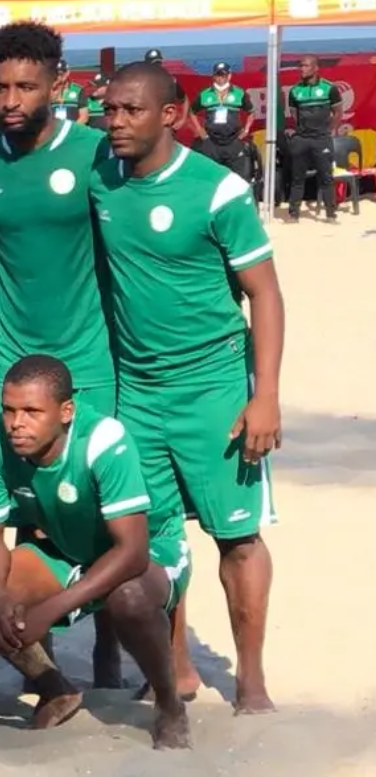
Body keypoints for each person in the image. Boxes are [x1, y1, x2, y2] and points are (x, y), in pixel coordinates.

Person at [92, 61, 286, 714]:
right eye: (108, 109)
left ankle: (251, 681)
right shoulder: (101, 178)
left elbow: (264, 294)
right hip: (136, 393)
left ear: (169, 115)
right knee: (153, 542)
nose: (113, 121)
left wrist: (264, 396)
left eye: (128, 110)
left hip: (214, 389)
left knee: (236, 537)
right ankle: (174, 669)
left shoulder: (217, 191)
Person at [0, 20, 122, 686]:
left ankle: (113, 648)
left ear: (57, 84)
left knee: (105, 511)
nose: (9, 100)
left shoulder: (92, 152)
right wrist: (3, 280)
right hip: (13, 365)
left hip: (88, 363)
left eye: (25, 86)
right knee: (27, 509)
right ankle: (45, 658)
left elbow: (128, 236)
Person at [0, 355, 191, 749]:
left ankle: (170, 705)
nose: (16, 423)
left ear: (66, 411)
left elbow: (133, 551)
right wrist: (0, 597)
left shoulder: (103, 439)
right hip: (66, 547)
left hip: (150, 547)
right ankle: (55, 688)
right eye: (9, 410)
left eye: (32, 412)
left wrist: (51, 609)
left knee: (130, 598)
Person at [286, 54, 343, 223]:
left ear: (315, 68)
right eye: (300, 66)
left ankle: (331, 214)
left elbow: (338, 113)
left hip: (322, 139)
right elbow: (294, 114)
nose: (301, 69)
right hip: (302, 139)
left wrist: (327, 131)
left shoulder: (329, 88)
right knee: (297, 177)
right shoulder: (295, 91)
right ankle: (293, 214)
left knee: (326, 177)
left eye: (305, 65)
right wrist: (302, 130)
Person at [189, 61, 255, 182]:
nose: (221, 78)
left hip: (233, 141)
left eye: (223, 75)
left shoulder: (239, 93)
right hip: (211, 142)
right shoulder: (204, 94)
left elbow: (251, 112)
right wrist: (199, 129)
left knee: (238, 179)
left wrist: (246, 129)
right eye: (218, 75)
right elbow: (191, 111)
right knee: (210, 178)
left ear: (229, 75)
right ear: (213, 76)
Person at [144, 49, 189, 131]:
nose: (157, 66)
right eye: (154, 64)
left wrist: (183, 119)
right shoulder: (140, 82)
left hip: (166, 128)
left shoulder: (170, 81)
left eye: (158, 63)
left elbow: (184, 99)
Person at [51, 59, 89, 124]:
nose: (58, 76)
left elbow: (84, 116)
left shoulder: (78, 90)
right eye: (56, 73)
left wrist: (71, 130)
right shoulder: (48, 89)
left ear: (67, 73)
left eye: (61, 74)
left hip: (73, 130)